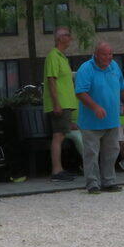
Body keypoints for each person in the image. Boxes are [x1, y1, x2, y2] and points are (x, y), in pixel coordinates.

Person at [74, 42, 124, 194]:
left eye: (111, 54)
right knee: (91, 153)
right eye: (105, 54)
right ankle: (92, 184)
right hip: (90, 122)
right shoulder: (86, 68)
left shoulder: (114, 66)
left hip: (112, 120)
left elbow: (122, 87)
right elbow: (80, 92)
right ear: (96, 54)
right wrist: (95, 107)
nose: (109, 57)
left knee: (111, 152)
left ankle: (109, 181)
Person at [44, 26, 83, 182]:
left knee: (60, 135)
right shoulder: (53, 56)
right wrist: (56, 104)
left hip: (65, 103)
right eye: (68, 35)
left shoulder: (62, 57)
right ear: (59, 38)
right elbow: (51, 80)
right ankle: (56, 171)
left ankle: (59, 169)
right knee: (58, 136)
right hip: (60, 103)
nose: (70, 38)